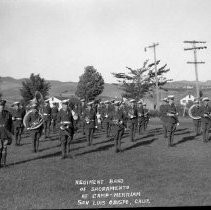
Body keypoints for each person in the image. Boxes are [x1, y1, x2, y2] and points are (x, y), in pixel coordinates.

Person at [0, 100, 13, 168]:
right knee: (0, 148)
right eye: (0, 106)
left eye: (2, 106)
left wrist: (11, 132)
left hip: (6, 134)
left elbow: (11, 124)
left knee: (4, 148)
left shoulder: (8, 113)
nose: (1, 107)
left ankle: (3, 163)